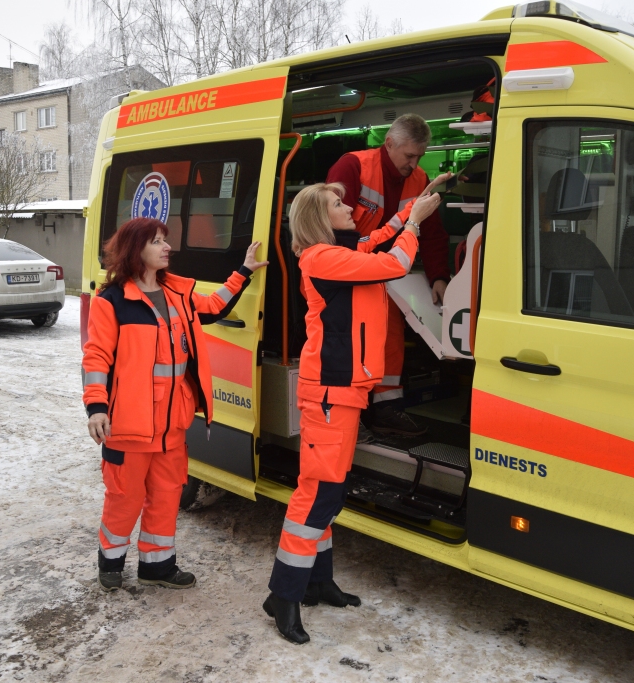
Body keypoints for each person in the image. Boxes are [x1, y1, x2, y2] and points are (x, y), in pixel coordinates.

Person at [263, 177, 450, 644]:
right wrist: (416, 225)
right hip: (330, 393)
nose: (348, 207)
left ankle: (317, 581)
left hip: (341, 393)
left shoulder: (342, 254)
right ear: (318, 219)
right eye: (338, 203)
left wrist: (412, 207)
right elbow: (394, 261)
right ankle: (283, 594)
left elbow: (377, 238)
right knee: (318, 494)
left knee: (330, 490)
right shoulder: (322, 258)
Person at [82, 217, 268, 592]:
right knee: (124, 499)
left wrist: (243, 271)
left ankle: (158, 567)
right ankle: (111, 563)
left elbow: (214, 307)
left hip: (172, 425)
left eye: (165, 240)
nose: (167, 247)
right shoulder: (111, 301)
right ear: (136, 250)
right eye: (156, 241)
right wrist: (96, 407)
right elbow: (96, 357)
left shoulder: (178, 295)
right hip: (128, 426)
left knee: (166, 499)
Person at [326, 113, 450, 437]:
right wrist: (356, 268)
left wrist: (439, 277)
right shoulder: (352, 166)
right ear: (389, 143)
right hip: (345, 273)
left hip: (382, 274)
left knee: (390, 338)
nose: (414, 163)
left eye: (420, 156)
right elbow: (330, 226)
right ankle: (349, 414)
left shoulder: (419, 179)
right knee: (350, 344)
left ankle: (384, 410)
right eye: (410, 155)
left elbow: (432, 232)